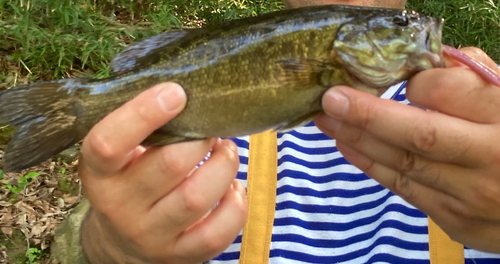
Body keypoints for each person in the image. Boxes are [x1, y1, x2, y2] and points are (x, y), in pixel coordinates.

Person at [75, 0, 500, 263]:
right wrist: (117, 249)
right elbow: (99, 241)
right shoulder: (210, 147)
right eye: (398, 27)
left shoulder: (485, 123)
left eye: (400, 25)